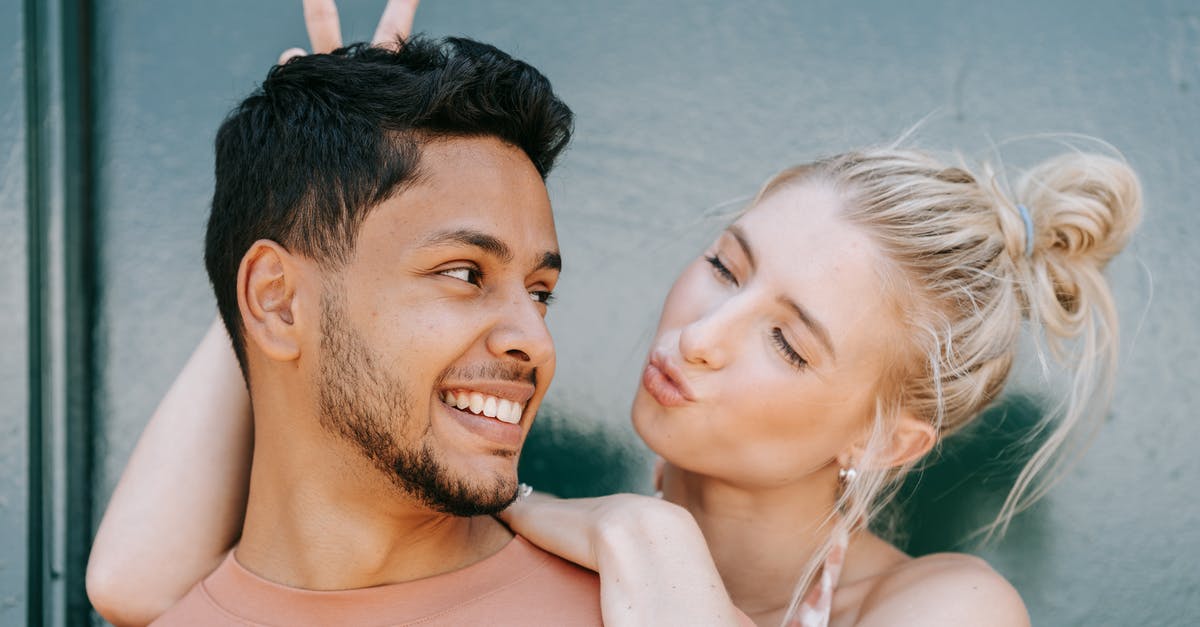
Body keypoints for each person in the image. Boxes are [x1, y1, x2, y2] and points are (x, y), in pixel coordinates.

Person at [88, 4, 1144, 627]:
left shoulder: (945, 610)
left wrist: (650, 540)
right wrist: (303, 220)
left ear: (886, 437)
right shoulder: (575, 554)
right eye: (726, 267)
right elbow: (133, 580)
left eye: (786, 339)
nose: (703, 334)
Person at [86, 2, 609, 626]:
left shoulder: (646, 608)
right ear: (275, 300)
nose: (537, 342)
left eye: (540, 291)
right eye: (465, 274)